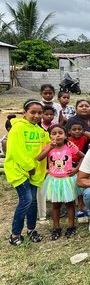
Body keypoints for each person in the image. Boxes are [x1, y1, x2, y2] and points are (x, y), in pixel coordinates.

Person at [5, 100, 49, 246]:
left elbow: (49, 143)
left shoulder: (40, 130)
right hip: (20, 171)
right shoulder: (17, 129)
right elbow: (17, 151)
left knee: (33, 201)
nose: (36, 115)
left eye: (39, 113)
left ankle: (31, 230)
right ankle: (14, 234)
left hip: (34, 172)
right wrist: (29, 167)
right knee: (26, 200)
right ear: (24, 113)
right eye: (33, 112)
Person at [37, 124, 84, 240]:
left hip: (67, 179)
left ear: (65, 135)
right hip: (54, 180)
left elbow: (83, 157)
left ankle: (71, 226)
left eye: (60, 133)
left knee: (70, 204)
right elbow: (39, 158)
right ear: (50, 136)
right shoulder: (48, 146)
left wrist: (76, 169)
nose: (57, 135)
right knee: (56, 204)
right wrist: (50, 148)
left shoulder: (70, 146)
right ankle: (56, 227)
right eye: (54, 133)